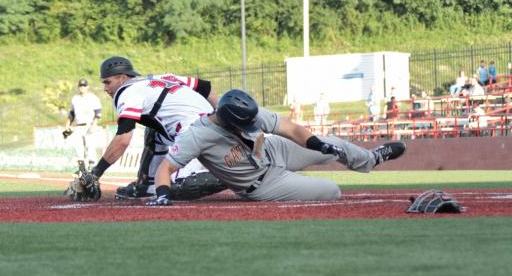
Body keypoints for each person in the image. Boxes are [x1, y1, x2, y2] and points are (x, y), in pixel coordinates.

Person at [146, 89, 406, 205]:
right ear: (228, 122)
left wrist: (317, 145)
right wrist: (162, 195)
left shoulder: (246, 111)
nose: (252, 124)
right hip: (261, 183)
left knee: (333, 144)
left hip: (273, 150)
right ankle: (297, 183)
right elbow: (165, 168)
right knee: (331, 191)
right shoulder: (197, 135)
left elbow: (292, 130)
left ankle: (369, 160)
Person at [71, 56, 226, 202]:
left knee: (171, 187)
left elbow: (123, 139)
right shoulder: (159, 78)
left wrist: (96, 173)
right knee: (154, 133)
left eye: (107, 82)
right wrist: (220, 114)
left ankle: (229, 176)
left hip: (194, 132)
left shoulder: (127, 93)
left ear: (122, 78)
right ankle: (148, 186)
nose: (105, 88)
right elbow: (204, 86)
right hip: (207, 126)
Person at [62, 78, 103, 172]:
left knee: (90, 147)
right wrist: (68, 124)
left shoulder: (93, 98)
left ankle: (93, 170)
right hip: (79, 126)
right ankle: (81, 169)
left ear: (87, 87)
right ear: (78, 87)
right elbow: (72, 113)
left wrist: (94, 124)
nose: (82, 87)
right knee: (78, 147)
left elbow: (98, 112)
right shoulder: (75, 99)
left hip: (90, 125)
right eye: (80, 85)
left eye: (84, 85)